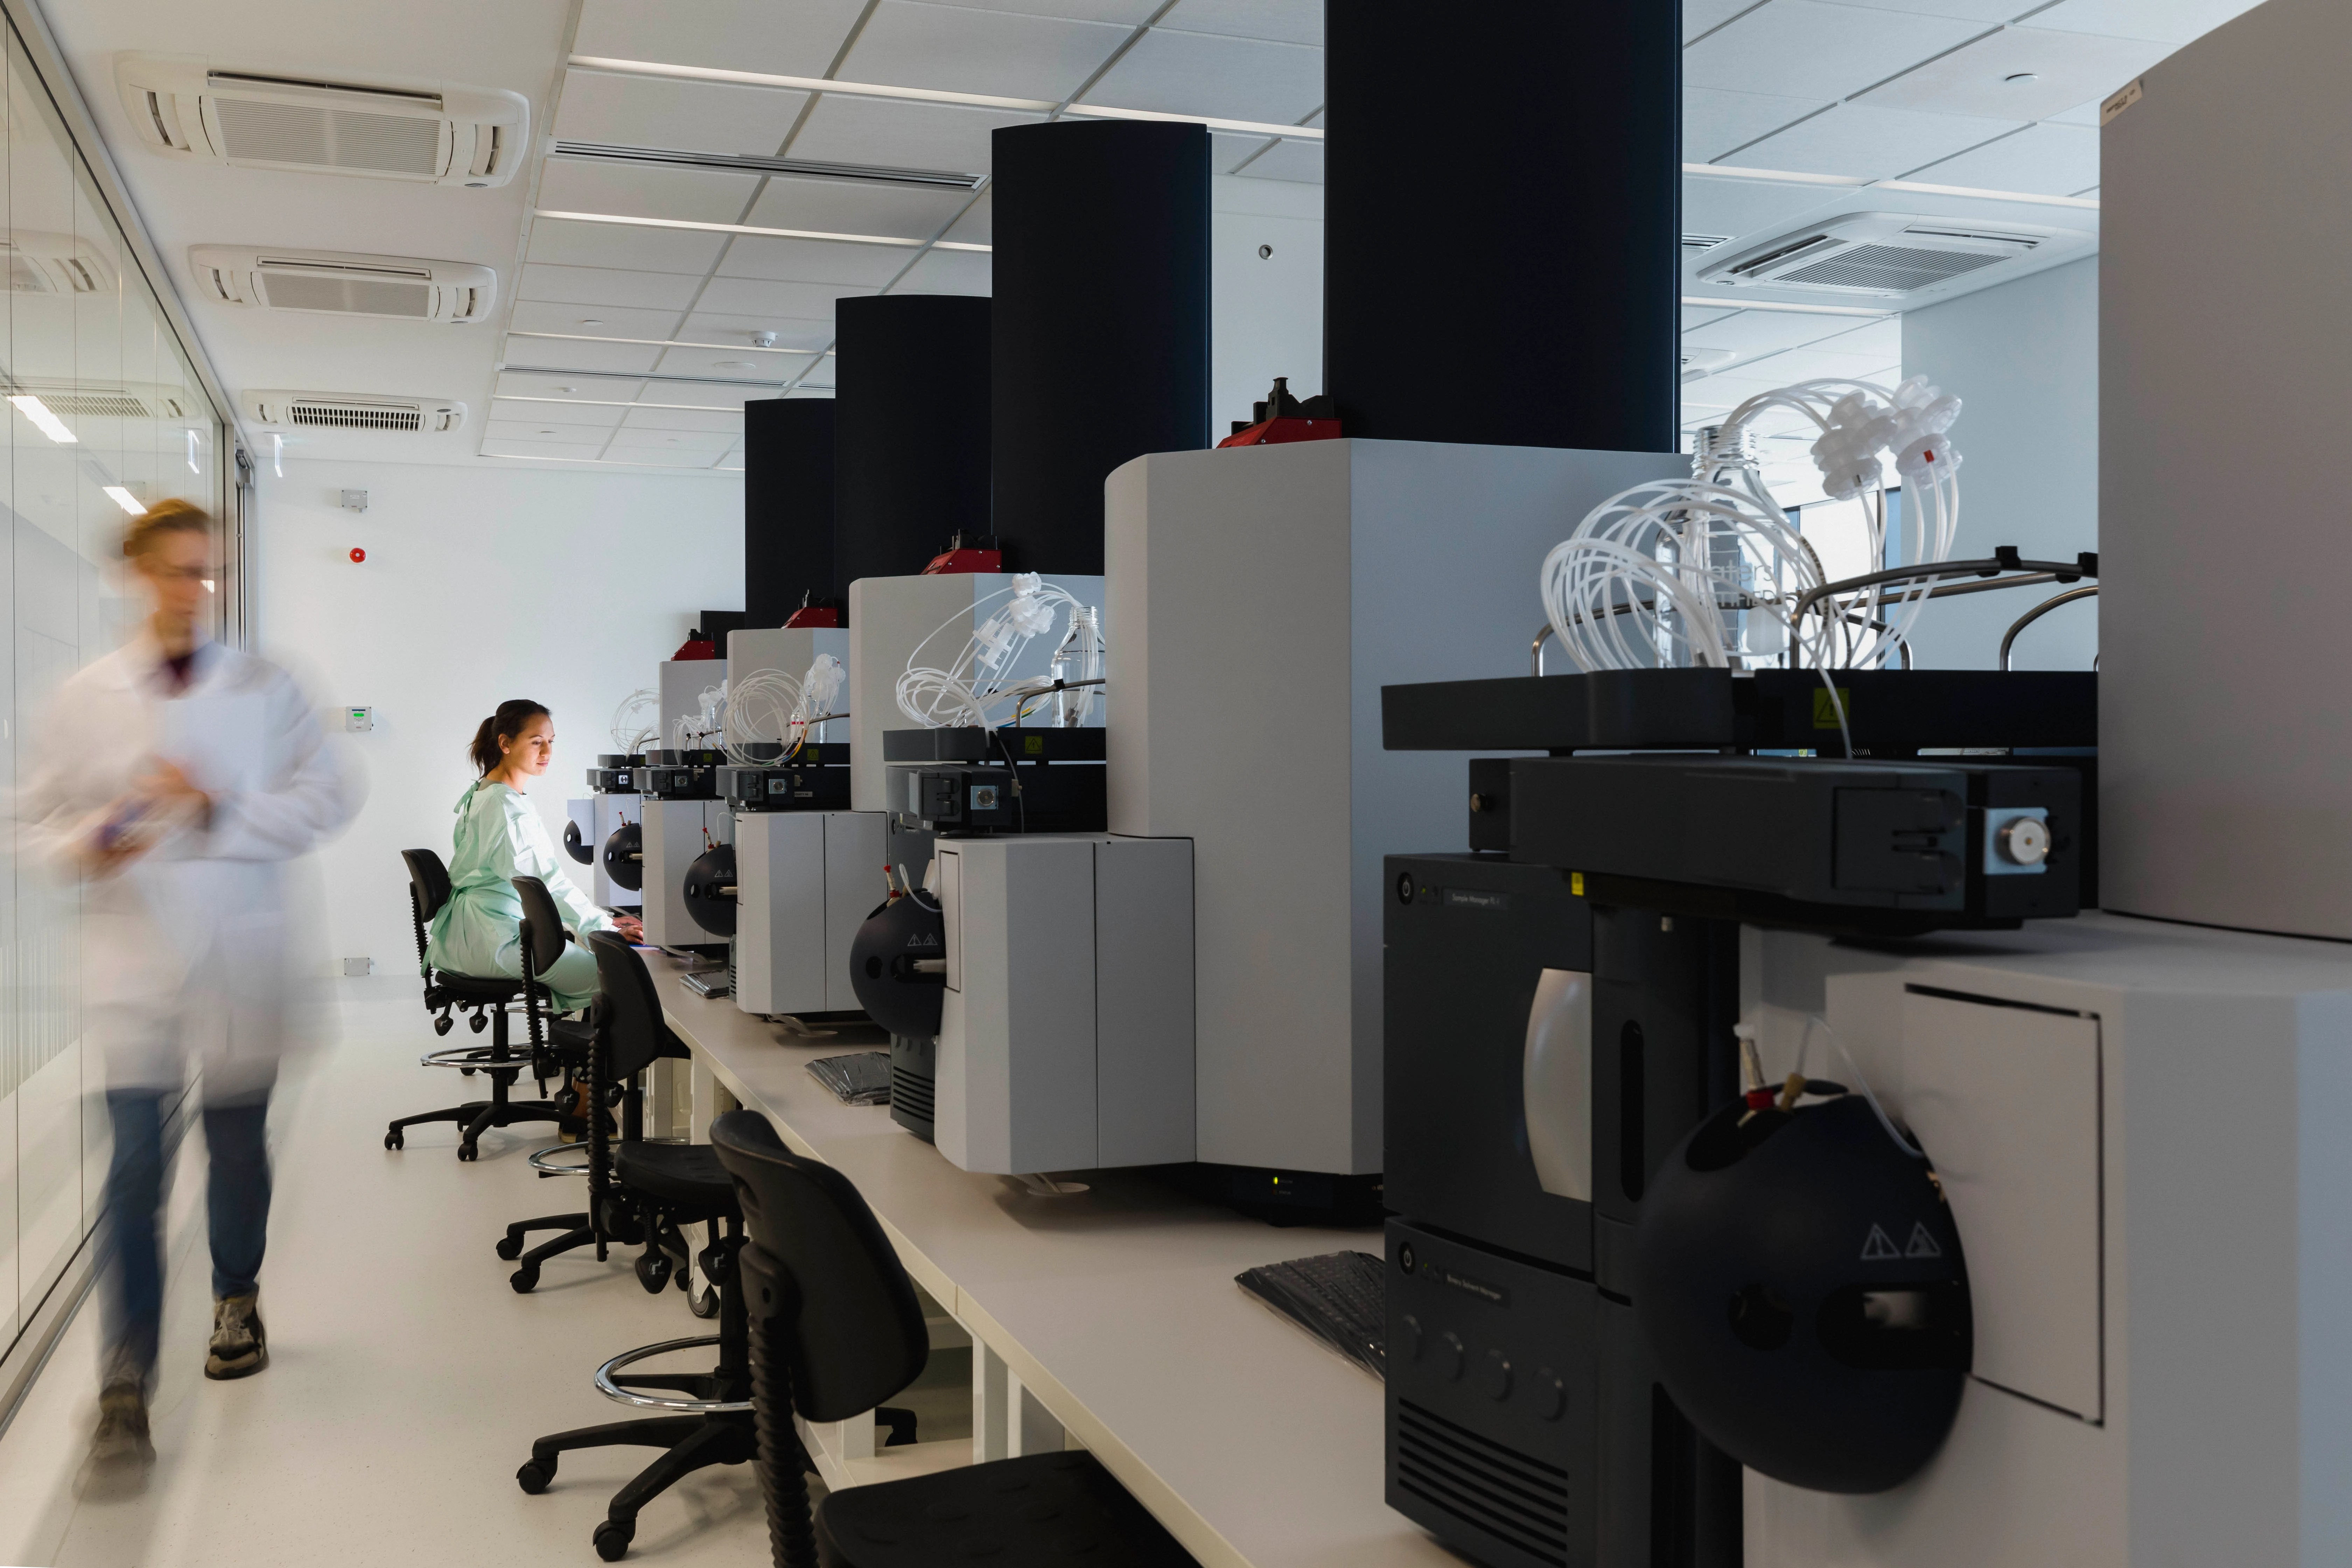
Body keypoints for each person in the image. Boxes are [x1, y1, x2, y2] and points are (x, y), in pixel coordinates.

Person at [20, 500, 359, 1481]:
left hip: (237, 958)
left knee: (234, 1146)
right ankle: (124, 1385)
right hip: (130, 960)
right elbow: (35, 817)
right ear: (131, 573)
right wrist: (92, 841)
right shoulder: (84, 697)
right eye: (170, 571)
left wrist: (220, 807)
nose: (188, 591)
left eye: (202, 573)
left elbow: (332, 793)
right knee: (132, 1169)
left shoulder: (266, 688)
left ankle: (236, 1295)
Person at [426, 701, 641, 1016]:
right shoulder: (506, 807)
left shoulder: (484, 792)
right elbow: (546, 884)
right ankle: (596, 1060)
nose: (547, 753)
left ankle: (582, 1054)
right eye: (537, 742)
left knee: (584, 951)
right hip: (492, 943)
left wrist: (598, 923)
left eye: (551, 742)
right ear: (505, 743)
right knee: (620, 975)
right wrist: (603, 926)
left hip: (466, 937)